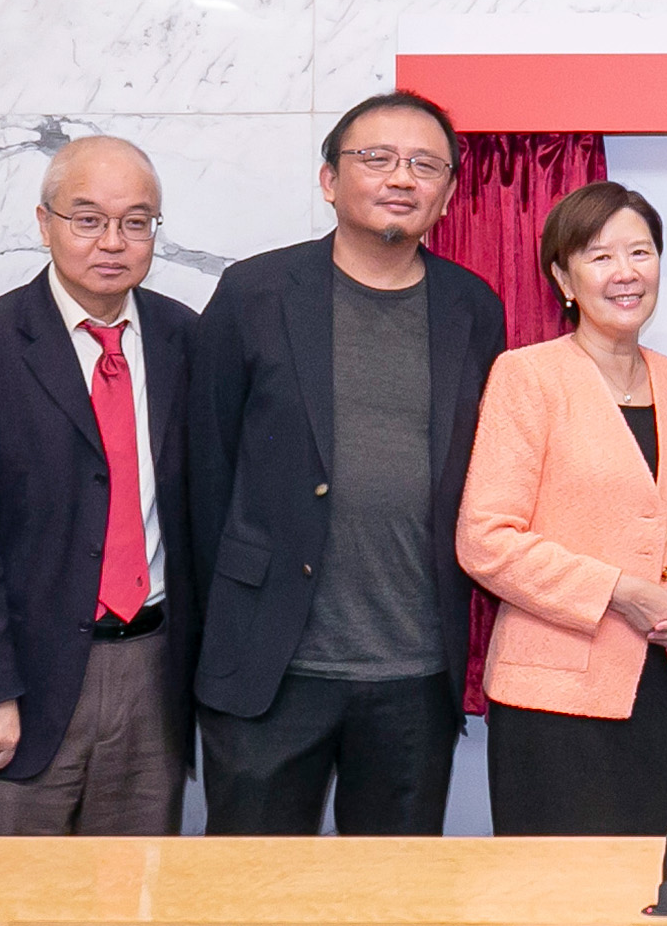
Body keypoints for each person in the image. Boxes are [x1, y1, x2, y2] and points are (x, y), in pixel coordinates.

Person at [188, 91, 507, 835]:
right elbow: (205, 470)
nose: (402, 177)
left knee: (397, 902)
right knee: (250, 899)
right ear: (330, 179)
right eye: (377, 159)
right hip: (271, 669)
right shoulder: (254, 293)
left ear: (450, 193)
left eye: (425, 164)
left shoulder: (473, 307)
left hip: (414, 671)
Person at [0, 136, 197, 834]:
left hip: (153, 674)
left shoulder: (185, 339)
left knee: (132, 900)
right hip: (19, 683)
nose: (113, 241)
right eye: (87, 218)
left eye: (136, 221)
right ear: (45, 224)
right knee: (3, 903)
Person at [458, 181, 667, 836]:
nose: (627, 273)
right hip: (552, 701)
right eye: (601, 256)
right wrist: (617, 591)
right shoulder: (527, 375)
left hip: (658, 685)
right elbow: (486, 539)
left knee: (651, 890)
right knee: (553, 897)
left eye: (641, 252)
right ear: (563, 277)